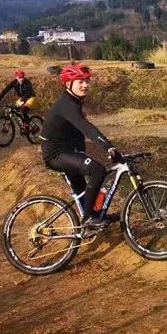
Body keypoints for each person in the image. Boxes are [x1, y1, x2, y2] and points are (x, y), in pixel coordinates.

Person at [39, 64, 122, 230]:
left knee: (82, 188)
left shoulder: (74, 102)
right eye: (80, 81)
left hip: (68, 150)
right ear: (68, 84)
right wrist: (109, 147)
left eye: (87, 81)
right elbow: (86, 128)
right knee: (97, 170)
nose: (85, 85)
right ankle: (88, 219)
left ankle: (94, 216)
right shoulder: (66, 105)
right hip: (57, 154)